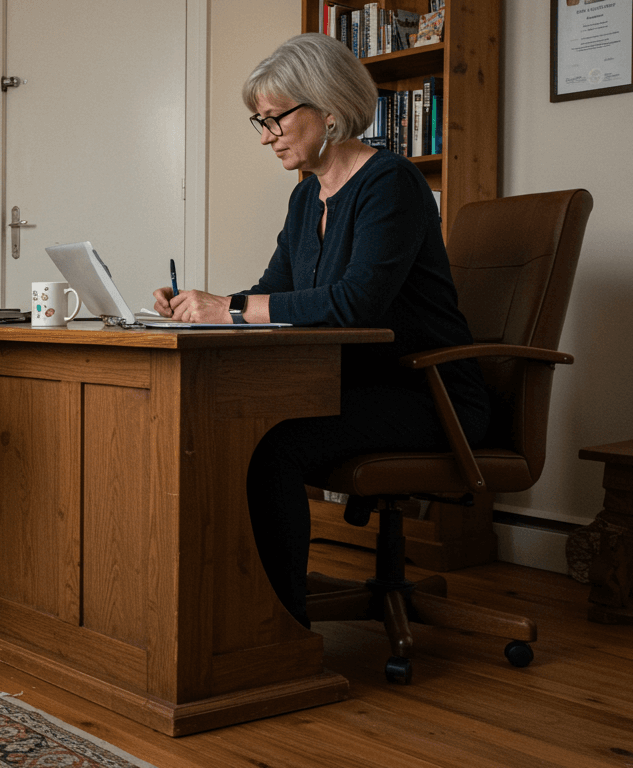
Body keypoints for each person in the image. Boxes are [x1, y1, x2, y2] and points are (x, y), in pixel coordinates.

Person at [151, 34, 489, 627]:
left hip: (430, 397)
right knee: (224, 425)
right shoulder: (307, 197)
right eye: (259, 121)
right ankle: (232, 608)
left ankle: (281, 628)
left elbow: (355, 303)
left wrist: (225, 308)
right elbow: (274, 293)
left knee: (273, 445)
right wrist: (196, 306)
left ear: (328, 109)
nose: (265, 136)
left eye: (275, 118)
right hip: (357, 385)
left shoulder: (394, 184)